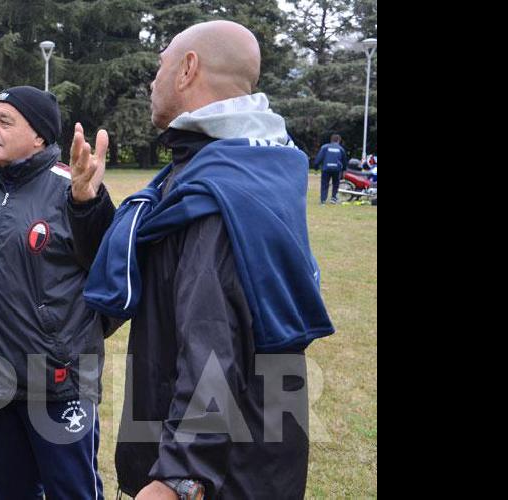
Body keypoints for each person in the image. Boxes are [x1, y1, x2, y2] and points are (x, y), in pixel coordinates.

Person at [71, 20, 335, 499]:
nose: (153, 79)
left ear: (188, 68)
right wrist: (89, 206)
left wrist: (178, 478)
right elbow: (154, 274)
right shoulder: (248, 167)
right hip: (259, 457)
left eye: (161, 63)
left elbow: (213, 345)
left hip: (225, 475)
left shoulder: (218, 192)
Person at [0, 85, 114, 499]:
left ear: (40, 136)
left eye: (5, 121)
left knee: (71, 492)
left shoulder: (76, 188)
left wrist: (63, 341)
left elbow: (111, 283)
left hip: (58, 383)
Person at [313, 133, 349, 204]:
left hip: (326, 168)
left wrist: (316, 167)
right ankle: (333, 198)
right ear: (339, 140)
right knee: (335, 184)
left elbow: (319, 158)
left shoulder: (325, 147)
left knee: (324, 184)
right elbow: (344, 161)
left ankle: (323, 200)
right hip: (336, 169)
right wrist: (344, 170)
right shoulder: (341, 149)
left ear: (331, 140)